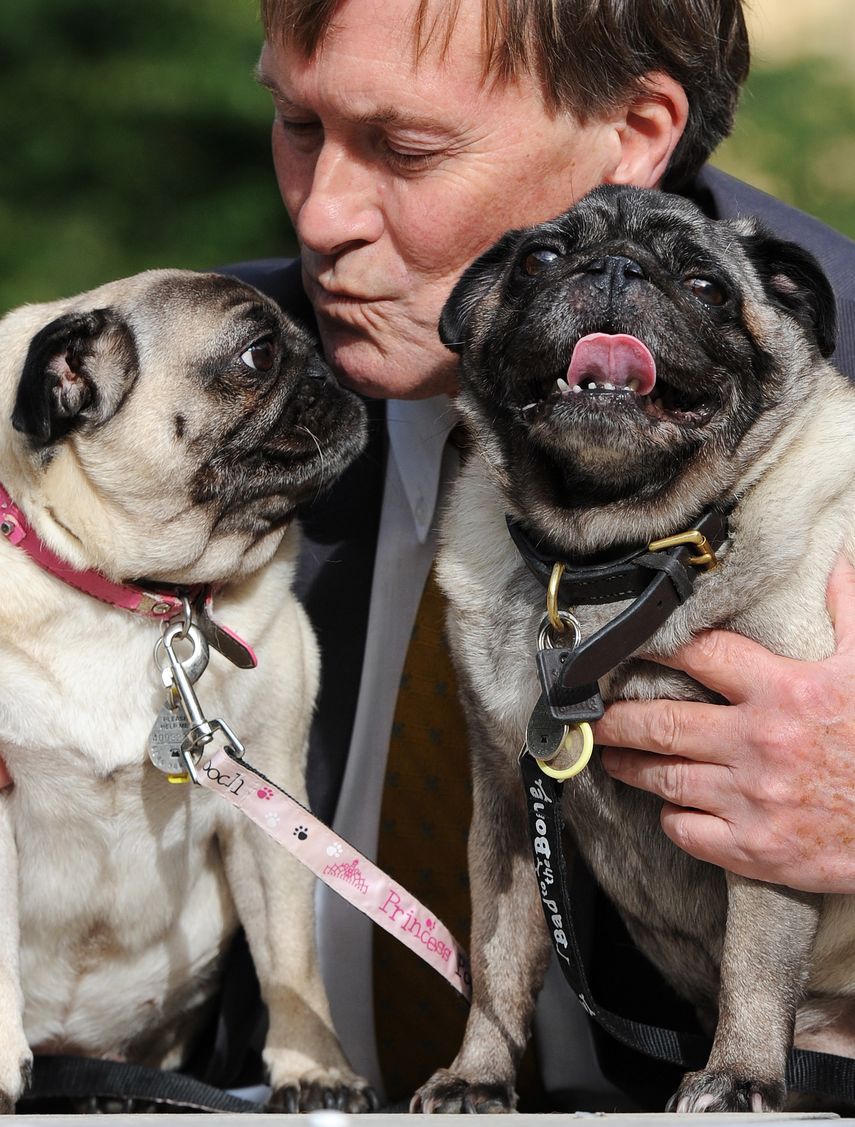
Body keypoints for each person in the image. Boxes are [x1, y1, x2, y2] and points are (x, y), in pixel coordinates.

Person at [221, 0, 855, 1109]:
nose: (322, 215)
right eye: (297, 124)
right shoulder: (189, 379)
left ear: (635, 132)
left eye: (406, 147)